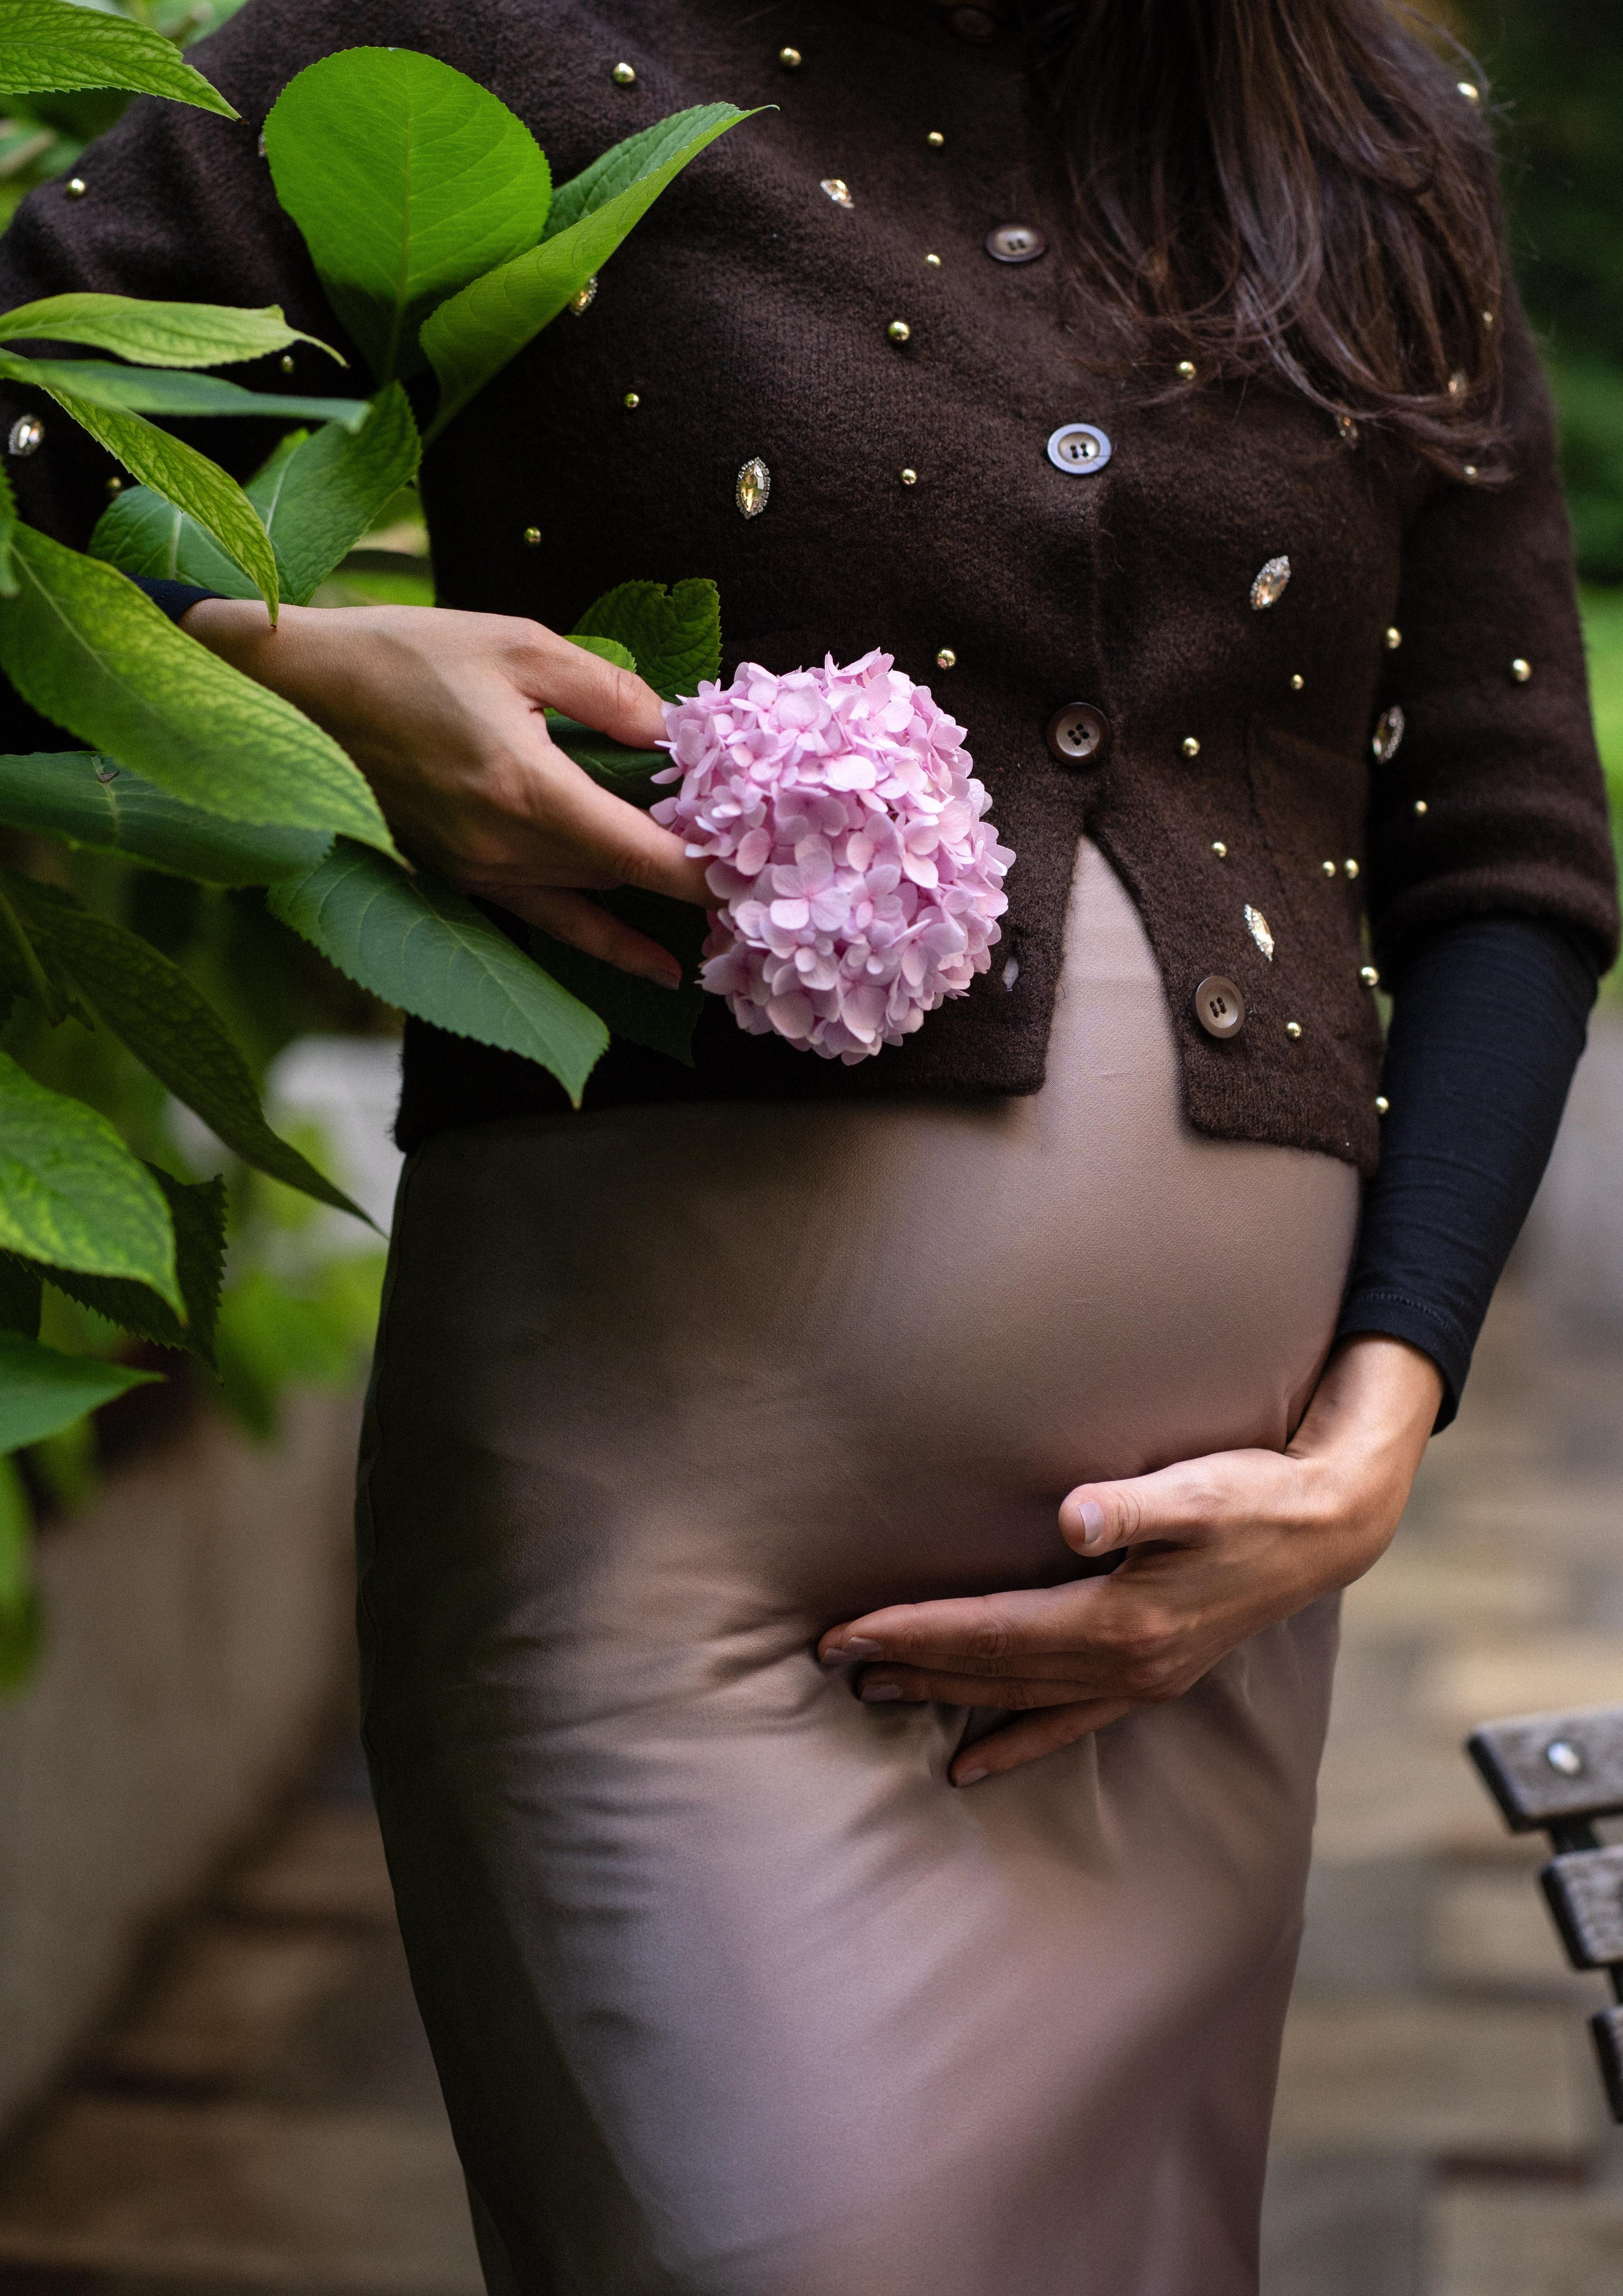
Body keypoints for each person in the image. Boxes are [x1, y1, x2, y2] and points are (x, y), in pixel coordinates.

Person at [1, 1, 1617, 2288]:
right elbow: (23, 461)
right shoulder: (477, 37)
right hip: (652, 1569)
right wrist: (277, 660)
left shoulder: (1360, 118)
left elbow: (1513, 862)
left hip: (1187, 1639)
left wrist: (1381, 1427)